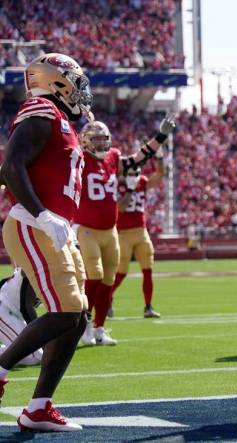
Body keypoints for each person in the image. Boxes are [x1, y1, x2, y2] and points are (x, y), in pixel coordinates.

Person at [0, 53, 93, 432]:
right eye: (74, 80)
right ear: (56, 80)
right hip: (35, 223)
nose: (80, 90)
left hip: (54, 226)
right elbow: (11, 165)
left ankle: (38, 408)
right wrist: (41, 213)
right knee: (67, 309)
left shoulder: (62, 122)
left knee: (77, 316)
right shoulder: (41, 108)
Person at [75, 116, 175, 345]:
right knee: (95, 276)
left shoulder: (113, 157)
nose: (100, 144)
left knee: (109, 280)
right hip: (87, 228)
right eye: (95, 140)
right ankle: (84, 325)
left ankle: (100, 328)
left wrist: (160, 136)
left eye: (103, 140)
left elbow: (138, 159)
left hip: (110, 230)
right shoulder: (79, 159)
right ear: (85, 141)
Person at [111, 160, 165, 319]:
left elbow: (160, 175)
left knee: (148, 271)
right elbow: (121, 208)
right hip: (123, 234)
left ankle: (148, 307)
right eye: (131, 174)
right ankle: (108, 298)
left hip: (142, 233)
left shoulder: (142, 182)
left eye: (136, 173)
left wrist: (159, 159)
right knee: (121, 273)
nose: (135, 176)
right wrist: (129, 189)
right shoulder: (116, 185)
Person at [0, 268, 43, 366]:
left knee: (35, 354)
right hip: (4, 312)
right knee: (33, 357)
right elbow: (26, 308)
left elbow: (5, 282)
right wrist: (39, 334)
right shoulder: (37, 271)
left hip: (12, 313)